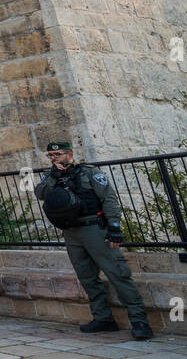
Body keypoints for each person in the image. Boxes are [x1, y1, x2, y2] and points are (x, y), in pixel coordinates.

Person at [34, 141, 152, 340]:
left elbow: (108, 198)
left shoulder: (88, 173)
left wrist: (114, 227)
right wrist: (53, 175)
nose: (54, 158)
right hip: (72, 231)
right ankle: (103, 318)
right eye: (51, 155)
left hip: (94, 229)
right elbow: (40, 193)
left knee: (117, 274)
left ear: (70, 154)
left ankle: (139, 321)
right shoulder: (50, 176)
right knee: (87, 277)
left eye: (58, 154)